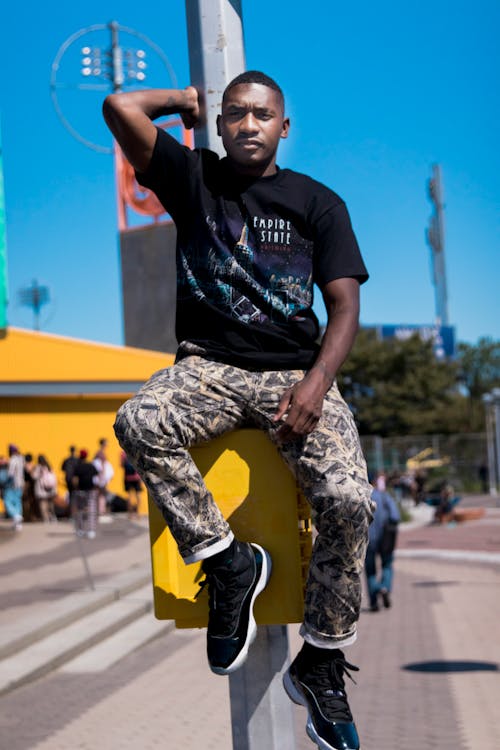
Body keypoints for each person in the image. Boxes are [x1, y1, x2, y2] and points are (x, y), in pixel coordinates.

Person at [103, 70, 373, 750]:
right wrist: (183, 101)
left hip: (295, 373)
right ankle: (225, 562)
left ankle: (320, 659)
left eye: (262, 115)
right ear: (218, 126)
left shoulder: (319, 202)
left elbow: (344, 306)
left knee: (347, 498)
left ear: (285, 127)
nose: (248, 124)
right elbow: (119, 107)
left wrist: (315, 387)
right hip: (210, 370)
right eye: (234, 114)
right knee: (138, 421)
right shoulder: (191, 179)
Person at [365, 477, 400, 612]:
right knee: (387, 565)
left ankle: (374, 602)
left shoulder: (362, 497)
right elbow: (395, 516)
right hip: (385, 538)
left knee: (370, 571)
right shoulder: (384, 496)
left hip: (367, 539)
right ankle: (384, 587)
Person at [72, 449, 98, 538]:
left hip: (80, 491)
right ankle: (91, 531)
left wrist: (76, 489)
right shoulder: (91, 466)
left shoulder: (78, 467)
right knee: (91, 511)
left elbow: (75, 480)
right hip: (91, 491)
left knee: (80, 511)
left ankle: (80, 530)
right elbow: (96, 478)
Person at [31, 455, 58, 523]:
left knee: (43, 504)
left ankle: (46, 518)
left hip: (41, 489)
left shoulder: (38, 467)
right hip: (50, 488)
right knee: (50, 504)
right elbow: (53, 477)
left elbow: (34, 477)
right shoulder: (49, 466)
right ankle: (53, 517)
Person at [5, 445, 25, 530]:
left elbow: (11, 473)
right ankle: (17, 524)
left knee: (7, 501)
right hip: (20, 484)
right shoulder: (21, 459)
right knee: (17, 502)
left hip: (12, 484)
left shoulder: (13, 460)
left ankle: (15, 516)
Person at [120, 452, 143, 517]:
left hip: (127, 478)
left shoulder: (123, 454)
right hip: (136, 477)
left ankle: (130, 514)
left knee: (129, 496)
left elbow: (121, 465)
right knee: (138, 496)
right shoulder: (135, 451)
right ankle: (138, 512)